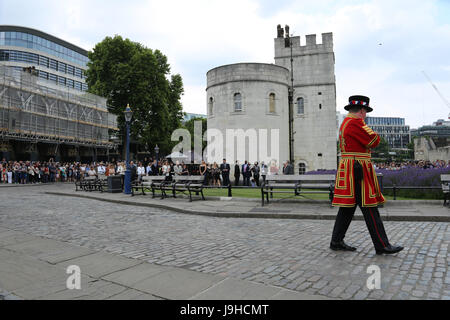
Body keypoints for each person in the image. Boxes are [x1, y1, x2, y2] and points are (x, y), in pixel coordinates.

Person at [330, 95, 403, 255]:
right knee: (369, 206)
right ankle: (382, 245)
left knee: (347, 208)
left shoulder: (345, 122)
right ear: (362, 111)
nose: (366, 116)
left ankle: (336, 241)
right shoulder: (356, 123)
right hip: (358, 169)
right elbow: (374, 141)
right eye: (365, 112)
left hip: (350, 169)